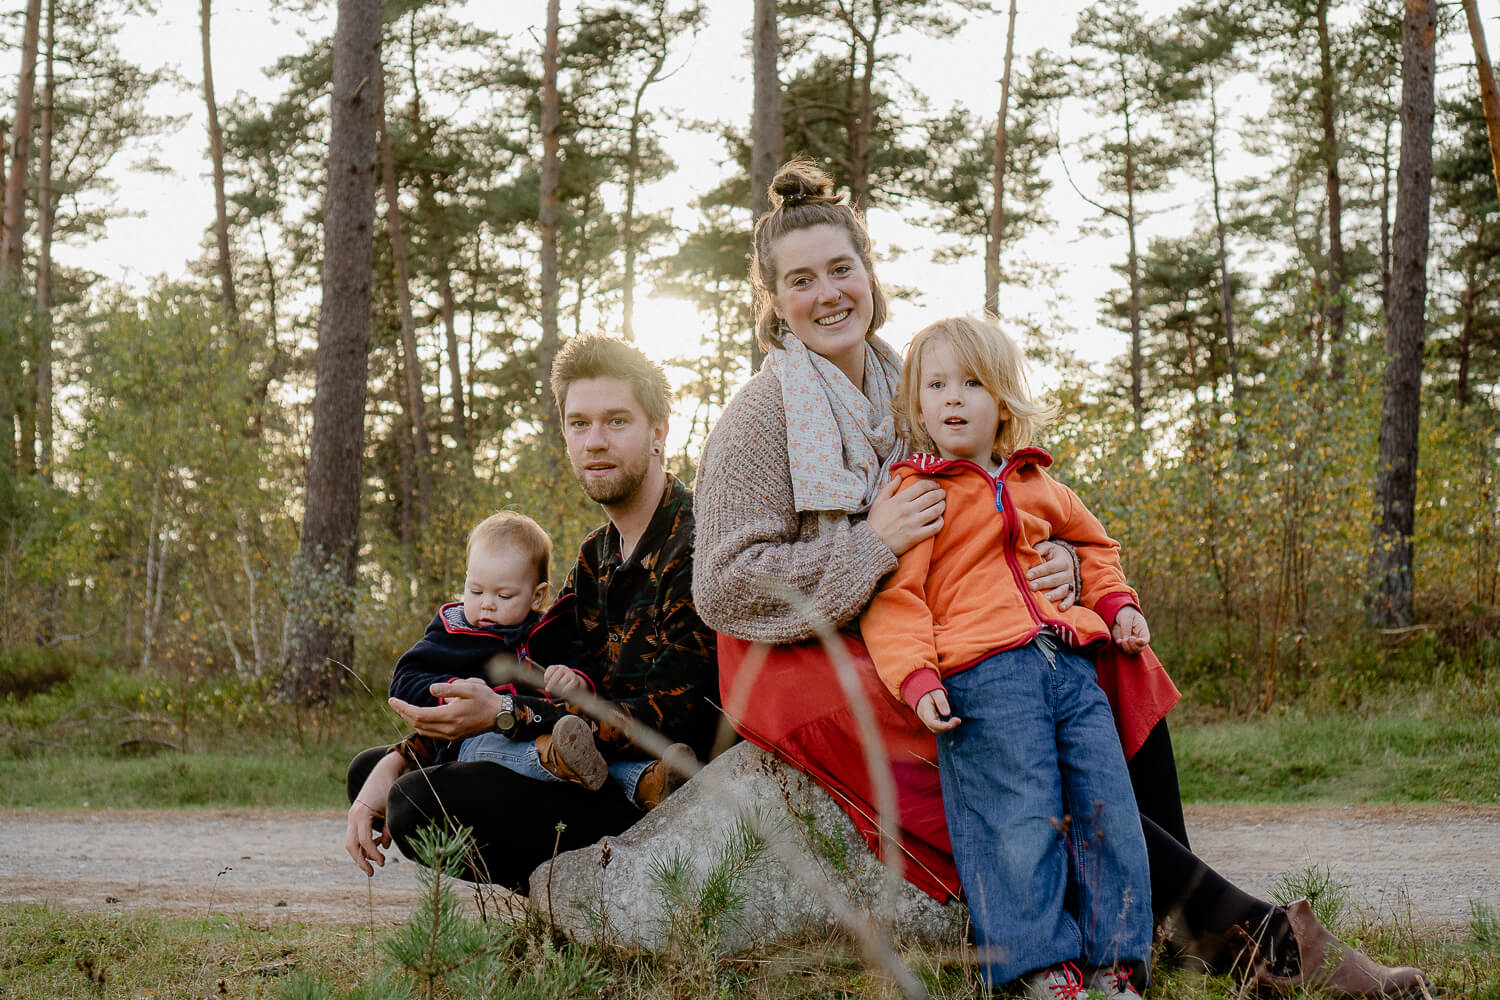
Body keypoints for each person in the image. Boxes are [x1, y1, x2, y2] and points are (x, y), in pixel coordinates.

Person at [691, 157, 1427, 997]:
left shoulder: (912, 385)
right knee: (993, 702)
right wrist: (872, 543)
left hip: (922, 611)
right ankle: (1258, 938)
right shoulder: (761, 411)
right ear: (772, 302)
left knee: (1108, 653)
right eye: (799, 281)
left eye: (841, 269)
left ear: (871, 277)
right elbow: (723, 586)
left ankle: (1163, 918)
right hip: (803, 653)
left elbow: (999, 500)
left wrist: (1063, 566)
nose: (826, 294)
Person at [344, 334, 715, 890]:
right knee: (373, 772)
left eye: (617, 421)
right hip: (581, 767)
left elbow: (672, 718)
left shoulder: (698, 542)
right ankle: (560, 906)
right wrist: (412, 748)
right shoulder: (597, 558)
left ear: (658, 432)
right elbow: (535, 668)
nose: (595, 442)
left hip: (657, 789)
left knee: (417, 803)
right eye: (579, 423)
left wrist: (504, 716)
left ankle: (607, 897)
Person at [861, 315, 1153, 997]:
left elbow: (1095, 549)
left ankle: (1117, 965)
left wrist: (1118, 605)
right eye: (936, 385)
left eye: (971, 383)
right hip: (986, 678)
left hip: (1069, 667)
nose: (953, 398)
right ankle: (1039, 968)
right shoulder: (917, 493)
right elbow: (896, 598)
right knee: (1017, 819)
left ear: (1004, 403)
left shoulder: (1039, 485)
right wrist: (916, 674)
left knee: (1106, 809)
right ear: (917, 404)